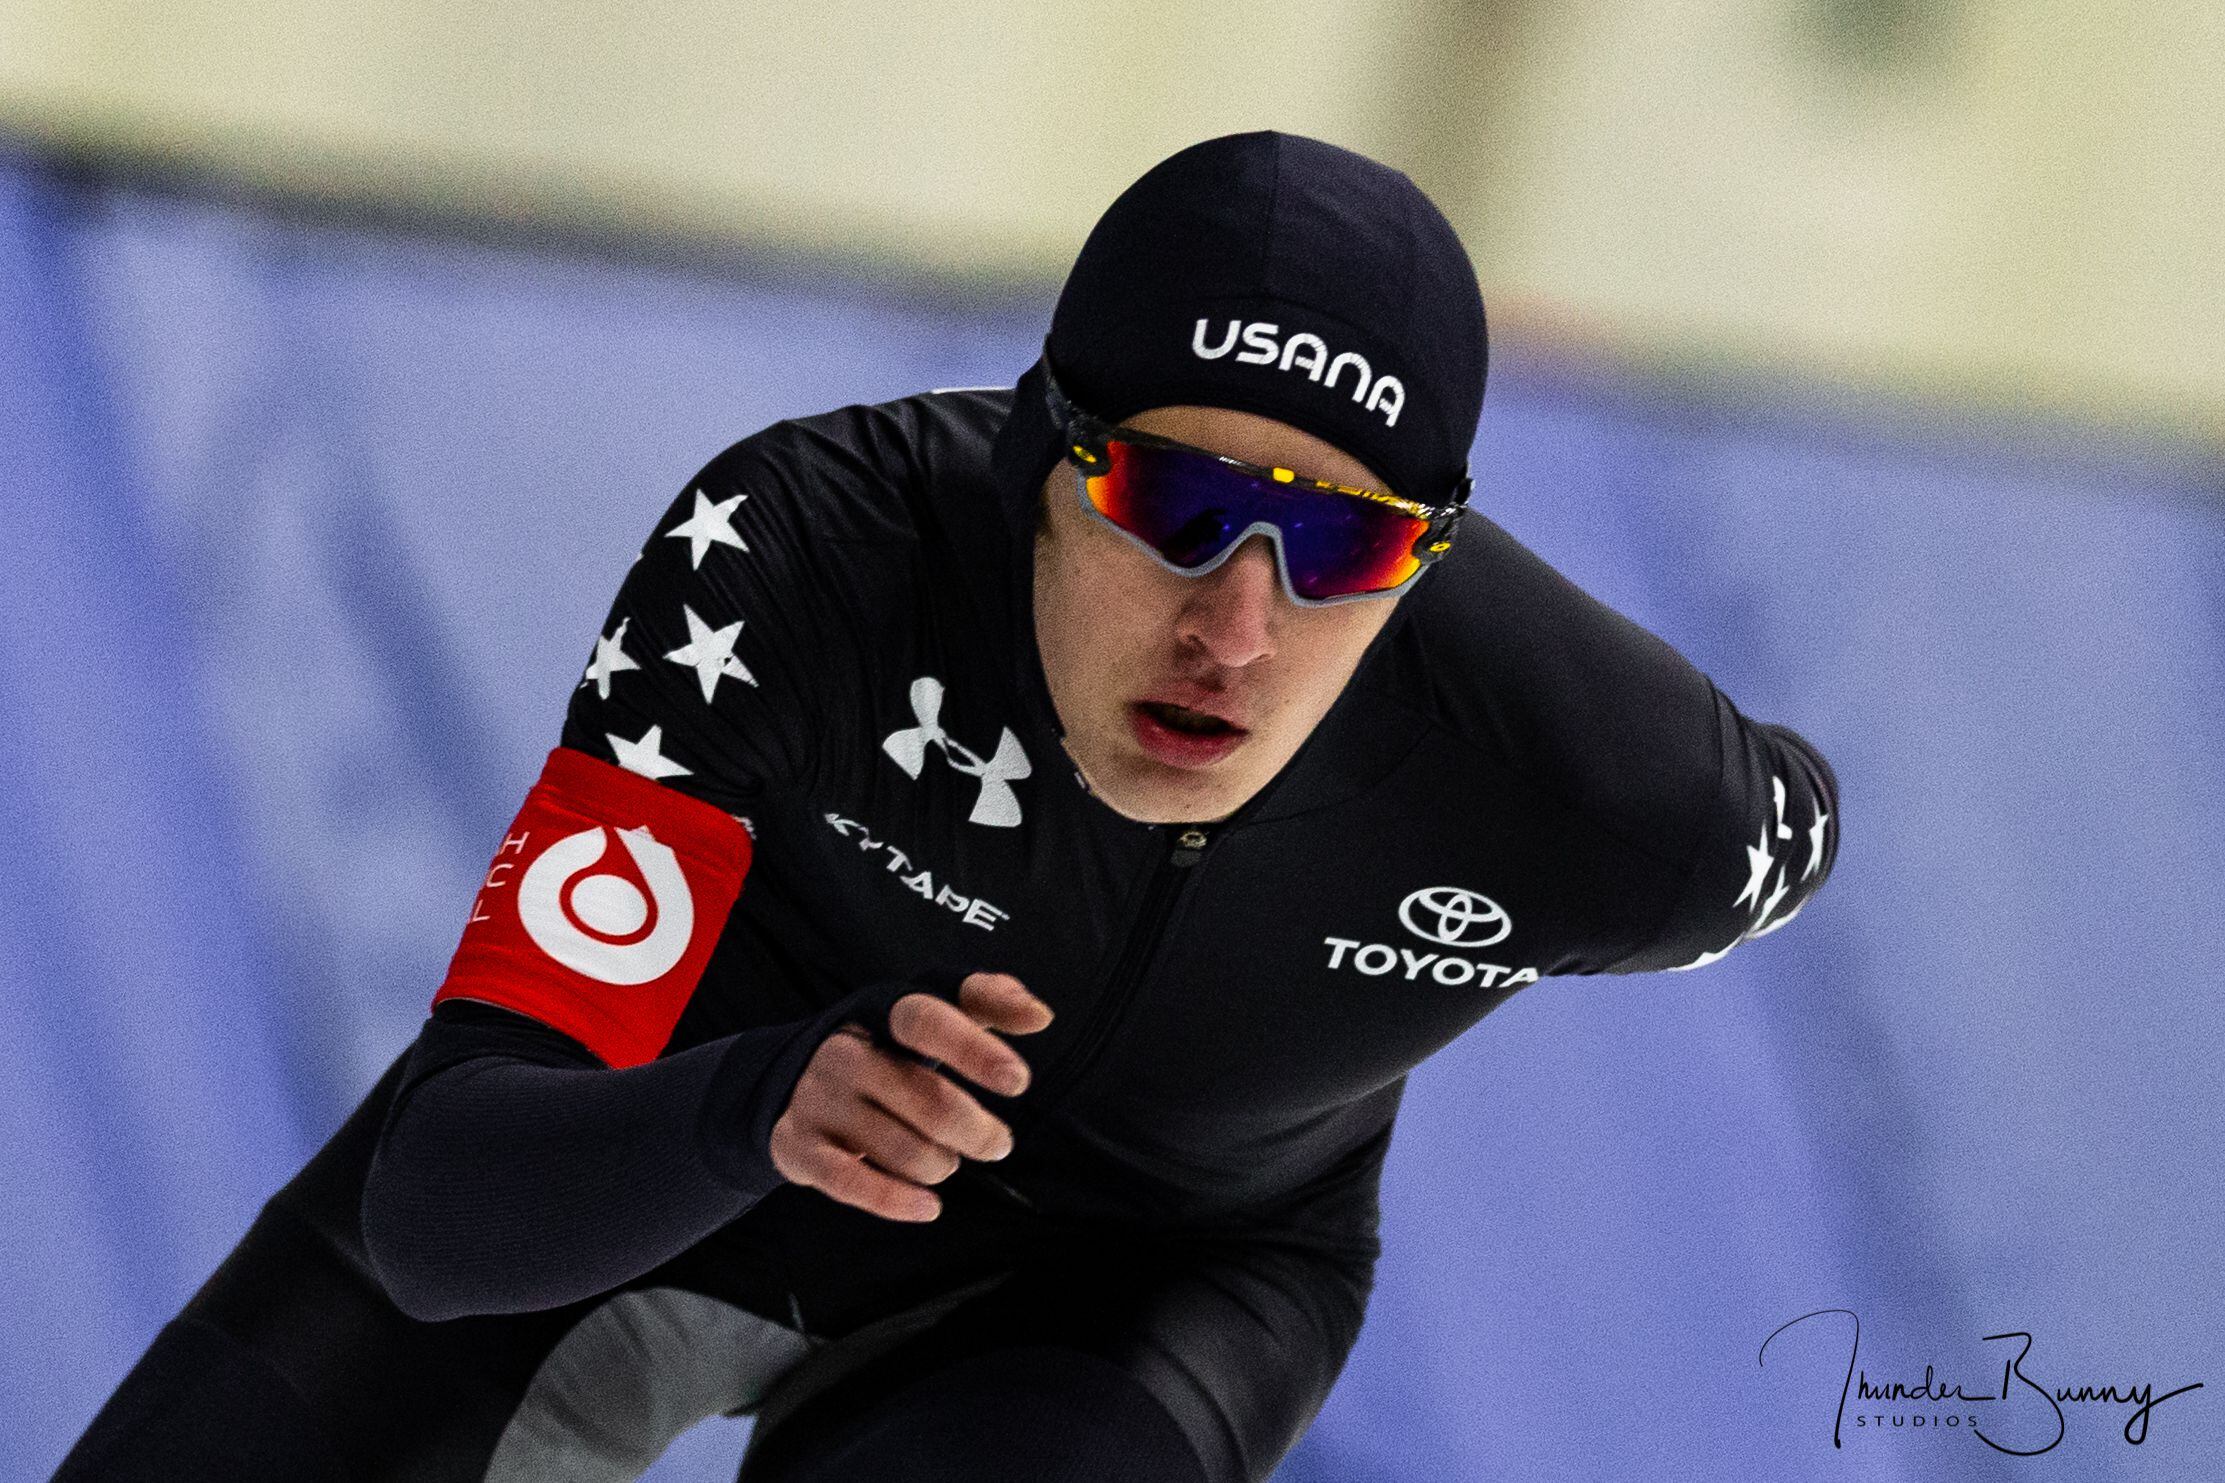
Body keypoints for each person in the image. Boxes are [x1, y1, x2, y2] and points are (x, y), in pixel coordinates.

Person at [60, 130, 1839, 1482]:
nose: (1235, 622)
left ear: (1422, 562)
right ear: (1037, 460)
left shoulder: (1611, 794)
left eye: (1337, 543)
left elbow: (1797, 816)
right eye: (1170, 500)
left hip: (1127, 1287)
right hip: (671, 1134)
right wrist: (757, 1105)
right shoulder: (802, 567)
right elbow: (443, 1212)